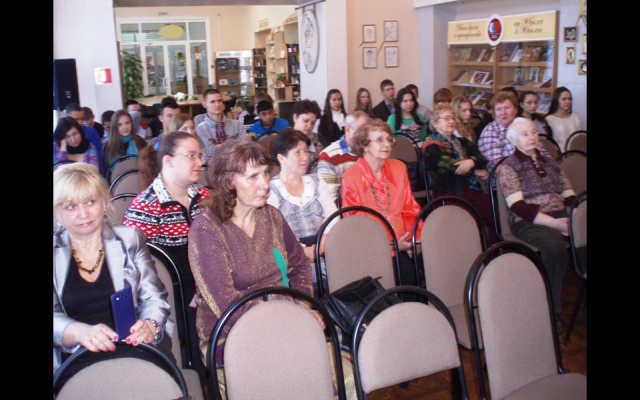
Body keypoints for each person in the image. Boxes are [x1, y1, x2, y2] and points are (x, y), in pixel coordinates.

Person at [187, 140, 323, 366]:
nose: (265, 184)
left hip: (284, 319)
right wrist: (288, 320)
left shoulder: (271, 216)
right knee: (300, 363)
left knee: (320, 363)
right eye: (252, 177)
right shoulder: (206, 229)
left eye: (266, 173)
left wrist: (303, 306)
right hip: (230, 334)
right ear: (228, 182)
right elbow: (226, 304)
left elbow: (299, 265)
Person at [53, 162, 173, 386]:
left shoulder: (130, 239)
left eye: (90, 202)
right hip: (78, 356)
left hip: (135, 346)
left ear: (103, 202)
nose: (83, 214)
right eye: (70, 206)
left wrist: (149, 324)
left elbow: (154, 298)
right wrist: (78, 332)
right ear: (57, 212)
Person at [123, 131, 211, 384]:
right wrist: (194, 290)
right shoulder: (146, 207)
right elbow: (141, 271)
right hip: (172, 294)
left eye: (200, 155)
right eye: (191, 156)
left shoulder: (205, 197)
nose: (199, 162)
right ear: (168, 161)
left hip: (207, 283)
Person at [499, 117, 577, 331]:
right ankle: (551, 310)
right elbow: (518, 207)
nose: (532, 137)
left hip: (560, 213)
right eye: (525, 134)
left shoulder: (549, 161)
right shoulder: (509, 166)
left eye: (533, 132)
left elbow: (569, 193)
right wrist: (555, 224)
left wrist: (575, 216)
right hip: (528, 220)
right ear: (514, 140)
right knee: (555, 247)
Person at [340, 119, 423, 287]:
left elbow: (410, 208)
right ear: (365, 145)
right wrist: (391, 245)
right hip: (373, 249)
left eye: (388, 139)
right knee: (405, 277)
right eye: (379, 140)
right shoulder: (351, 177)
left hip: (404, 243)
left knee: (431, 266)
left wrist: (416, 240)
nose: (386, 144)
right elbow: (356, 225)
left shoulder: (399, 168)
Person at [267, 128, 338, 292]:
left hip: (326, 245)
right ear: (281, 158)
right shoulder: (271, 189)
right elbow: (275, 230)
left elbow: (333, 216)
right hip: (293, 254)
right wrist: (303, 251)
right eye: (297, 152)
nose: (305, 157)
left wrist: (323, 243)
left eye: (306, 151)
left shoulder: (316, 180)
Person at [422, 104, 497, 245]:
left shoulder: (461, 142)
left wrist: (471, 162)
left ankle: (494, 251)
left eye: (453, 118)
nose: (451, 121)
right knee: (467, 222)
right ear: (435, 123)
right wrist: (473, 170)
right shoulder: (431, 146)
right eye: (446, 118)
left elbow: (482, 158)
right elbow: (452, 167)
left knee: (494, 212)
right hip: (449, 193)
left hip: (470, 189)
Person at [317, 111, 371, 205]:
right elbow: (330, 200)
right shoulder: (329, 156)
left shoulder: (370, 151)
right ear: (348, 129)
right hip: (347, 210)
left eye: (368, 132)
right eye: (361, 131)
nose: (365, 136)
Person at [196, 88, 250, 164]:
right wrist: (235, 144)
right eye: (212, 102)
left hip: (237, 164)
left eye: (219, 101)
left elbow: (247, 145)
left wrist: (218, 146)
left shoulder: (236, 124)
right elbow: (211, 151)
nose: (217, 104)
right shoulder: (201, 128)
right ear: (204, 105)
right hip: (212, 167)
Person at [65, 103, 105, 175]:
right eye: (76, 119)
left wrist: (101, 174)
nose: (80, 122)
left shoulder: (90, 131)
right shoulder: (58, 135)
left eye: (82, 119)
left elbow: (99, 155)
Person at [545, 86, 582, 152]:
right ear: (557, 100)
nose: (567, 101)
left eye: (569, 99)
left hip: (576, 153)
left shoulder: (575, 116)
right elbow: (549, 143)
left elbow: (579, 137)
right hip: (560, 154)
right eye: (564, 99)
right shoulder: (549, 119)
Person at [291, 99, 324, 173]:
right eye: (305, 121)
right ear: (295, 117)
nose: (309, 126)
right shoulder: (284, 140)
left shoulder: (319, 140)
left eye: (313, 123)